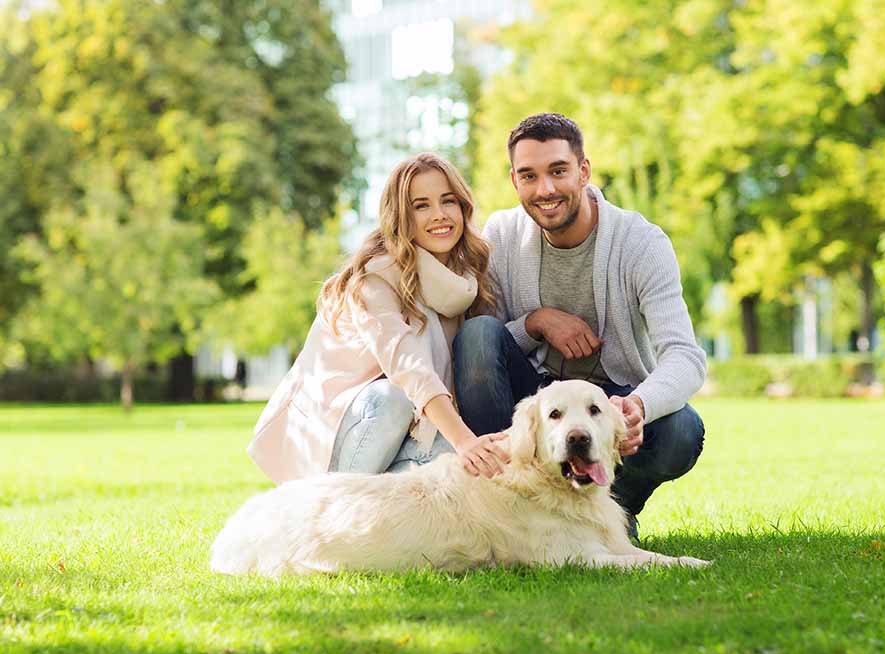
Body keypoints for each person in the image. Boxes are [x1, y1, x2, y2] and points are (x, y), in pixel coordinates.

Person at [453, 113, 707, 539]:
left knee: (683, 429)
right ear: (514, 181)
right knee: (477, 335)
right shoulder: (501, 234)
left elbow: (685, 356)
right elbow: (482, 346)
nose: (545, 190)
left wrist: (638, 407)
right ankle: (503, 507)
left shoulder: (642, 245)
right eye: (529, 176)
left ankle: (611, 516)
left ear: (584, 171)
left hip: (611, 400)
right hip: (533, 399)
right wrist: (535, 323)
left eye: (558, 171)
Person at [248, 153, 510, 485]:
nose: (440, 215)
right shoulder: (376, 276)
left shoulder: (466, 281)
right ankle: (331, 510)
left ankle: (372, 515)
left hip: (409, 427)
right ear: (401, 216)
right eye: (421, 205)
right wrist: (465, 441)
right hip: (336, 425)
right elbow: (407, 365)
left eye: (448, 201)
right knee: (394, 399)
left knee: (456, 463)